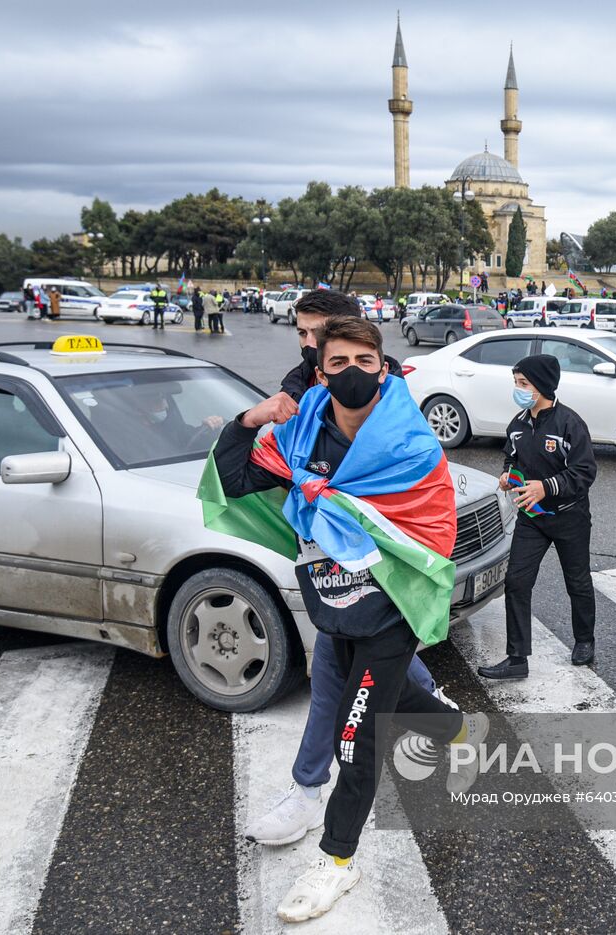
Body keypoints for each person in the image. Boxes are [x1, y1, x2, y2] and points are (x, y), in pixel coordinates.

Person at [211, 315, 487, 923]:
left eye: (365, 362)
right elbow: (233, 478)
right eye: (338, 364)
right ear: (321, 372)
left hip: (390, 612)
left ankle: (337, 861)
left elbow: (434, 528)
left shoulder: (410, 443)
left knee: (357, 739)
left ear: (383, 367)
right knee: (373, 711)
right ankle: (457, 730)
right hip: (335, 606)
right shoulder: (303, 436)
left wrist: (340, 510)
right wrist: (249, 421)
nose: (354, 373)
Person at [242, 290, 448, 849]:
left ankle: (320, 819)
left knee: (347, 709)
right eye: (305, 339)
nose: (308, 346)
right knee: (356, 681)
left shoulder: (397, 413)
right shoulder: (300, 395)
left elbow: (423, 501)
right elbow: (259, 463)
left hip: (386, 590)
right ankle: (439, 724)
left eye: (317, 335)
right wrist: (246, 423)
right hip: (333, 586)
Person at [478, 355, 598, 680]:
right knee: (516, 582)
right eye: (516, 383)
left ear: (543, 386)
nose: (518, 390)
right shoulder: (517, 425)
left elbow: (585, 472)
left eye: (524, 384)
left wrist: (547, 487)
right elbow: (511, 457)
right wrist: (507, 475)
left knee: (578, 582)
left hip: (569, 517)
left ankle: (584, 640)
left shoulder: (570, 424)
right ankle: (517, 659)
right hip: (532, 518)